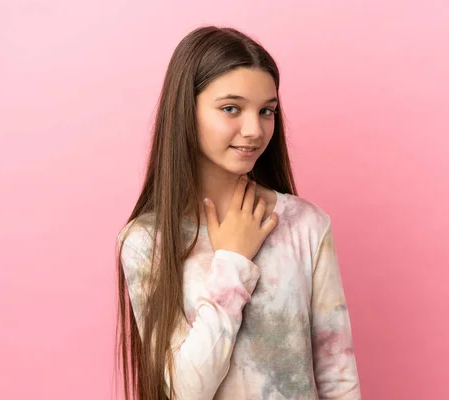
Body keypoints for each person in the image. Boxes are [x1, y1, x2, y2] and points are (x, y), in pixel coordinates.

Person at [116, 25, 361, 400]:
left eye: (266, 111)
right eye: (231, 108)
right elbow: (186, 391)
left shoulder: (306, 225)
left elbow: (337, 375)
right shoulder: (146, 241)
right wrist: (232, 261)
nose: (254, 129)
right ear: (186, 110)